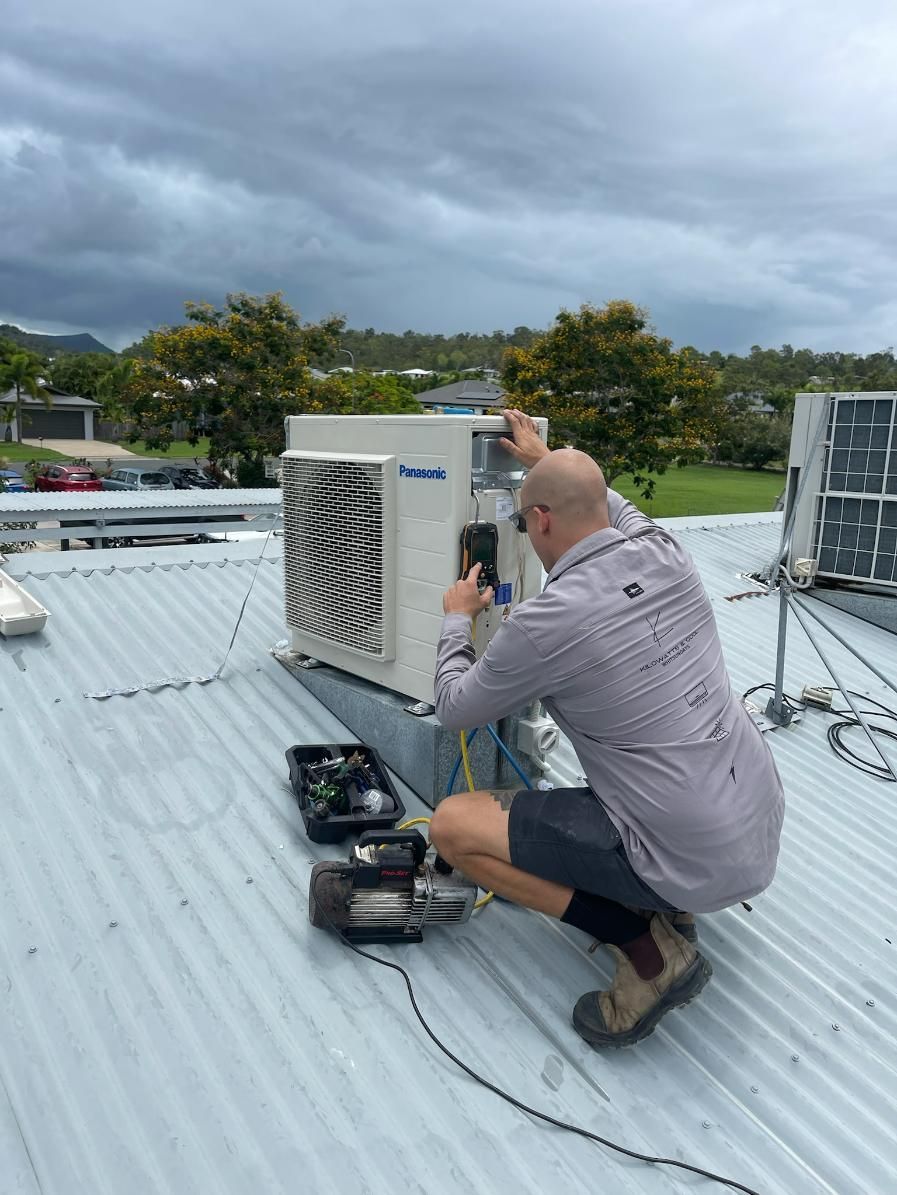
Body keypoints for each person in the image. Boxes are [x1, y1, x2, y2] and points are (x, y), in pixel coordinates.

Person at [429, 409, 785, 1048]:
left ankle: (647, 951)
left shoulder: (545, 624)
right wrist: (547, 460)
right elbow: (608, 506)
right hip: (754, 823)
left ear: (539, 520)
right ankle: (669, 903)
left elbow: (455, 708)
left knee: (452, 828)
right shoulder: (667, 552)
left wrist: (457, 619)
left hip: (684, 845)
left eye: (525, 521)